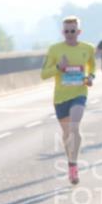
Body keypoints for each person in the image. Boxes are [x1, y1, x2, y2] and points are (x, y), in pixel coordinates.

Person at [41, 16, 95, 185]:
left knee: (74, 126)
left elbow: (92, 66)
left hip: (79, 93)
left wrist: (90, 77)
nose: (69, 34)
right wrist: (59, 67)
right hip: (60, 97)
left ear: (79, 32)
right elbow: (43, 74)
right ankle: (71, 163)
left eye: (73, 31)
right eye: (66, 31)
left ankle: (74, 164)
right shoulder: (54, 49)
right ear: (62, 32)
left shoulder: (88, 48)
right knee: (66, 135)